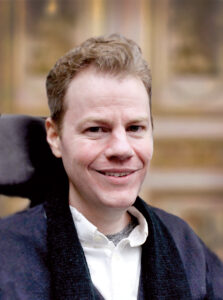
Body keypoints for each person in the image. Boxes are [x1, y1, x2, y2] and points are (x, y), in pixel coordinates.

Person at [0, 34, 223, 300]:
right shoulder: (6, 254)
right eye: (96, 129)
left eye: (135, 128)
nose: (122, 149)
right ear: (55, 137)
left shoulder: (186, 245)